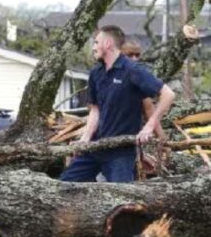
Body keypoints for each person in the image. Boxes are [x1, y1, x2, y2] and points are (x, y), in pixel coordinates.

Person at [60, 26, 176, 183]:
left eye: (96, 42)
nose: (93, 47)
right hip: (95, 147)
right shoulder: (96, 73)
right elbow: (95, 110)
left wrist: (149, 128)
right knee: (63, 186)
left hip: (121, 152)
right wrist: (86, 137)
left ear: (108, 43)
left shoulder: (132, 70)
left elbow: (168, 94)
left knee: (123, 199)